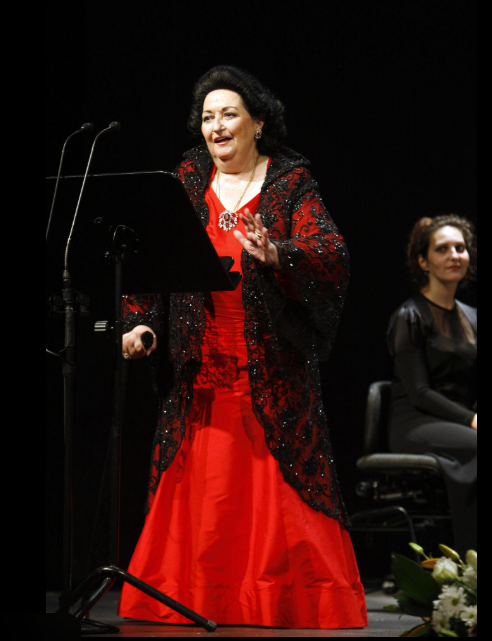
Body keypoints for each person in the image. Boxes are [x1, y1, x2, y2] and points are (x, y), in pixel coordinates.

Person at [117, 66, 368, 629]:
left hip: (272, 371)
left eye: (229, 114)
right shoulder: (186, 179)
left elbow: (331, 253)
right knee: (207, 499)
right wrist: (141, 324)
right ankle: (198, 598)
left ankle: (280, 599)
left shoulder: (289, 182)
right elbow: (150, 260)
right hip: (199, 371)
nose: (217, 126)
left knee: (274, 500)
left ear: (258, 122)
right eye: (208, 117)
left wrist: (279, 254)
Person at [387, 215, 477, 557]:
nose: (454, 255)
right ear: (423, 261)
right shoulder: (409, 316)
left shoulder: (473, 317)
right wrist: (471, 420)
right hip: (416, 422)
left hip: (462, 421)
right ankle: (470, 565)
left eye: (460, 248)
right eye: (443, 249)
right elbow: (420, 393)